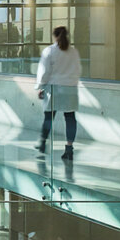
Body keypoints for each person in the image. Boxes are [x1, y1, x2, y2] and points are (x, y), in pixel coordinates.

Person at [36, 25, 81, 159]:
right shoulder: (74, 52)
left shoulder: (49, 51)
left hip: (54, 88)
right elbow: (78, 70)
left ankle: (43, 143)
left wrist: (40, 86)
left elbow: (44, 71)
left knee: (49, 117)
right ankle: (69, 149)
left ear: (54, 36)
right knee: (70, 118)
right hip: (70, 88)